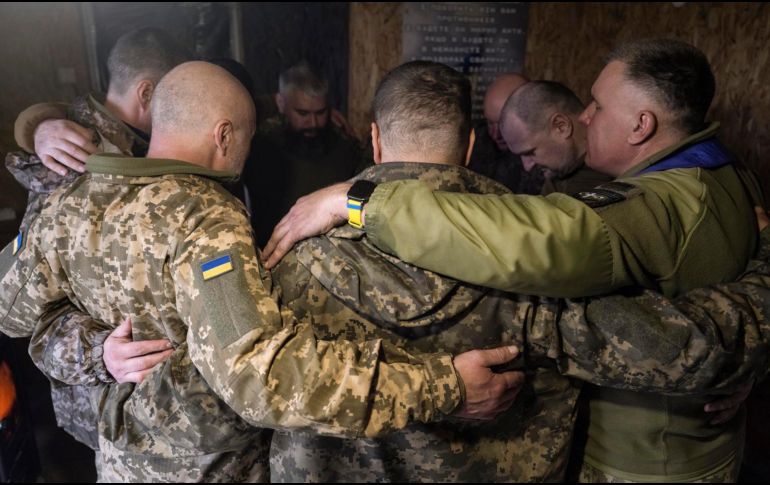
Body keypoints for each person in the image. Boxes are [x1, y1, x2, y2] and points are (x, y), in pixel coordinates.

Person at [263, 39, 764, 482]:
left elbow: (251, 383)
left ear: (375, 138)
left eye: (596, 103)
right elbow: (681, 345)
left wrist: (357, 202)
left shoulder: (294, 250)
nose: (586, 115)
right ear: (472, 145)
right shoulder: (730, 180)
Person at [0, 61, 522, 482]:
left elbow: (14, 313)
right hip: (214, 469)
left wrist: (96, 348)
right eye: (246, 139)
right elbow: (259, 377)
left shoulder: (64, 202)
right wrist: (443, 385)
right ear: (224, 135)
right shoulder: (205, 217)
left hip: (115, 463)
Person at [3, 27, 189, 451]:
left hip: (145, 403)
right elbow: (31, 304)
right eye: (174, 96)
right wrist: (100, 352)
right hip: (103, 399)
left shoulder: (130, 147)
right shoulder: (73, 160)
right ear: (147, 93)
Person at [242, 61, 366, 246]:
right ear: (281, 103)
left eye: (321, 112)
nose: (313, 123)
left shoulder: (346, 147)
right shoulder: (258, 146)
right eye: (303, 113)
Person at [500, 80, 612, 195]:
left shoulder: (604, 179)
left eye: (531, 153)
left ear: (561, 126)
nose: (527, 166)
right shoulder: (561, 171)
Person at [467, 72, 545, 194]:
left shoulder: (544, 155)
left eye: (504, 124)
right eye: (490, 122)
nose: (496, 134)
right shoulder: (473, 140)